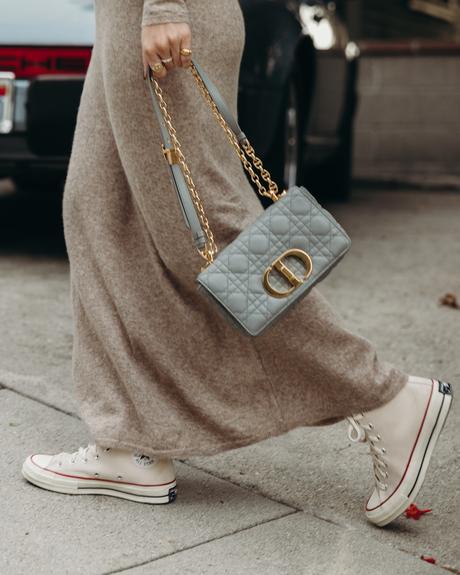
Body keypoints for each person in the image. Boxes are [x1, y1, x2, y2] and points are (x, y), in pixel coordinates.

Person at [21, 0, 453, 527]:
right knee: (98, 208)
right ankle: (130, 442)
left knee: (205, 230)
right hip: (123, 17)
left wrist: (163, 6)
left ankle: (386, 396)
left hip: (161, 14)